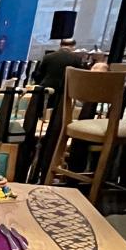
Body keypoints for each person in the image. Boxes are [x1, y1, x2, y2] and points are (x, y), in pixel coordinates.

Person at [30, 38, 85, 182]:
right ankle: (47, 152)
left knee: (40, 118)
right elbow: (81, 77)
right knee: (56, 123)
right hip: (64, 94)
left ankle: (35, 145)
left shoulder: (49, 57)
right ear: (73, 46)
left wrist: (40, 84)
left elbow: (37, 74)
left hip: (46, 90)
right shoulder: (76, 59)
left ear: (60, 45)